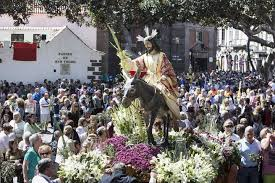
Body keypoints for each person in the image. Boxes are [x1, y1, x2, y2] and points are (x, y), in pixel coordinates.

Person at [122, 27, 180, 120]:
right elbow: (135, 63)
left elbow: (167, 68)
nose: (147, 46)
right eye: (145, 44)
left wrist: (164, 76)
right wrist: (126, 61)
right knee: (137, 91)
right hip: (147, 79)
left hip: (159, 79)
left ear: (153, 43)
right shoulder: (144, 56)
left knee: (166, 94)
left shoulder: (161, 55)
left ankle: (172, 113)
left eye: (148, 44)